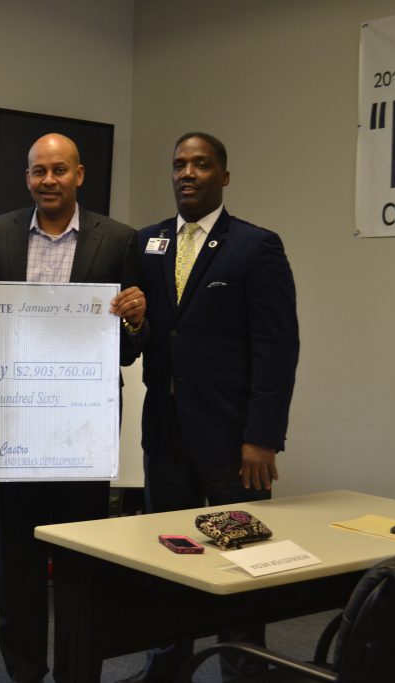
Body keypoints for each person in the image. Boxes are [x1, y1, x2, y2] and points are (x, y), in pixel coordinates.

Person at [123, 132, 299, 682]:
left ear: (224, 176)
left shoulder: (256, 245)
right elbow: (135, 344)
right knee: (170, 561)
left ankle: (244, 672)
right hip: (166, 435)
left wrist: (262, 436)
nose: (187, 173)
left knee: (241, 565)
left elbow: (278, 347)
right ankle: (165, 668)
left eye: (201, 164)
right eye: (179, 164)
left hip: (232, 442)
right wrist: (131, 322)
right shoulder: (147, 243)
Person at [0, 133, 146, 683]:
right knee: (18, 559)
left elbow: (130, 347)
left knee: (78, 557)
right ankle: (24, 669)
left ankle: (78, 671)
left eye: (59, 170)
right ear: (27, 177)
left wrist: (135, 318)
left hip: (82, 424)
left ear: (80, 175)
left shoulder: (120, 240)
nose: (48, 180)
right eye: (38, 171)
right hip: (15, 421)